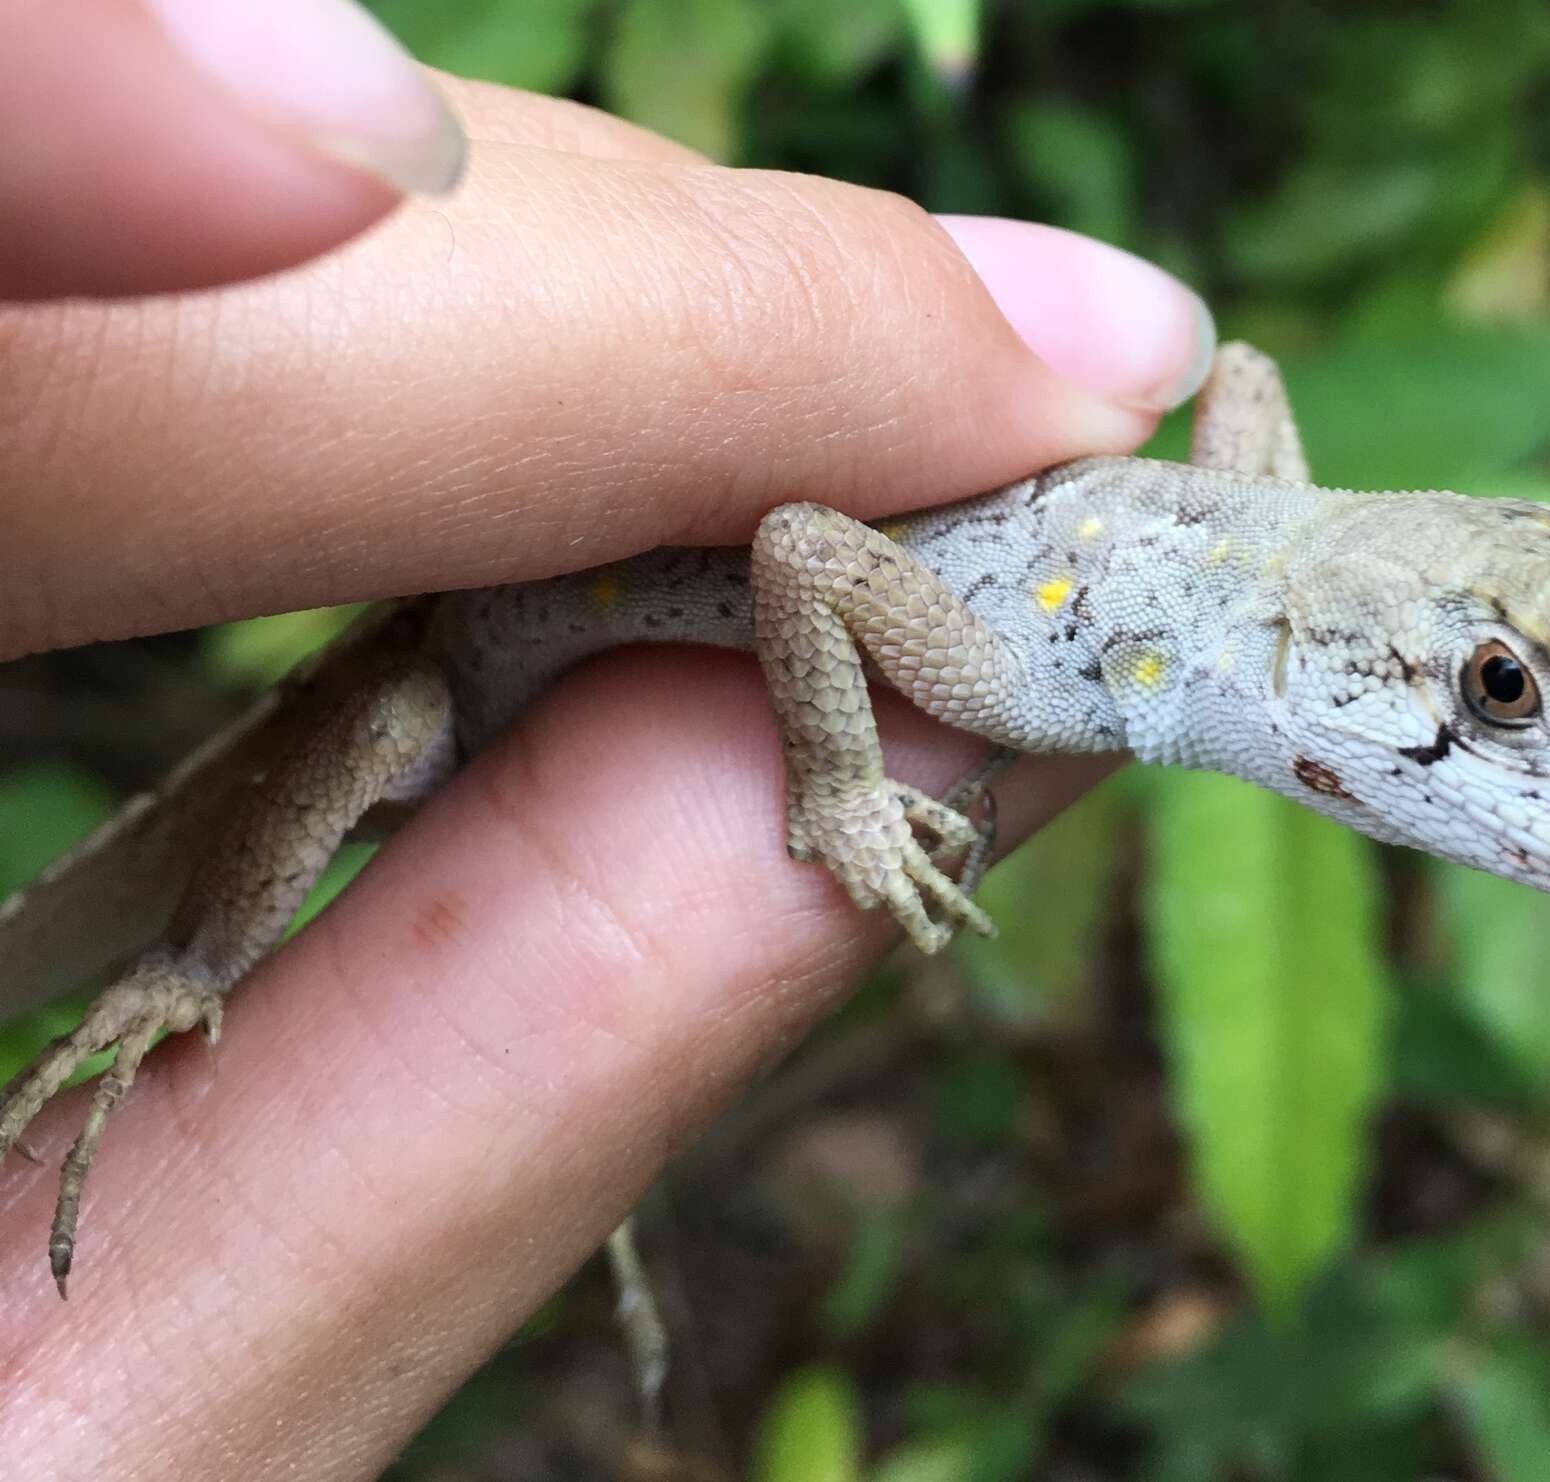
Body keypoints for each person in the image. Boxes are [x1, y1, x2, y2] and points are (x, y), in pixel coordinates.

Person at [0, 2, 1215, 1473]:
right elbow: (808, 549)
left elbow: (1240, 398)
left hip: (589, 699)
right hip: (463, 669)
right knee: (389, 725)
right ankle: (180, 967)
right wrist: (192, 962)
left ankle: (571, 1182)